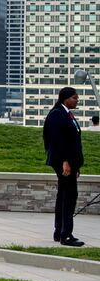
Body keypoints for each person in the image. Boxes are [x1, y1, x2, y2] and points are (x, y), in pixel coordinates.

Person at [43, 87, 84, 247]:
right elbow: (57, 141)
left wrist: (76, 165)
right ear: (65, 98)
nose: (77, 100)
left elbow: (73, 138)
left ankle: (59, 230)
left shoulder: (67, 114)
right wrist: (65, 162)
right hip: (63, 161)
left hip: (70, 162)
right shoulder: (57, 114)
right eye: (74, 98)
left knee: (63, 195)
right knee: (69, 195)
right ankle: (66, 235)